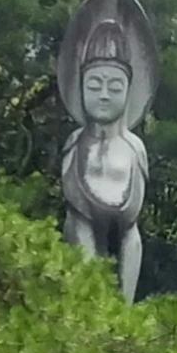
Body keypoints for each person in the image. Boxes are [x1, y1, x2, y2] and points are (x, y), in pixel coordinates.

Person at [60, 16, 150, 302]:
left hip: (124, 252)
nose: (103, 95)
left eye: (115, 87)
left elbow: (130, 231)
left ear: (128, 90)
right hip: (81, 263)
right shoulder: (74, 143)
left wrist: (123, 309)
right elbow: (77, 221)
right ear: (81, 87)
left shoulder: (135, 149)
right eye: (94, 85)